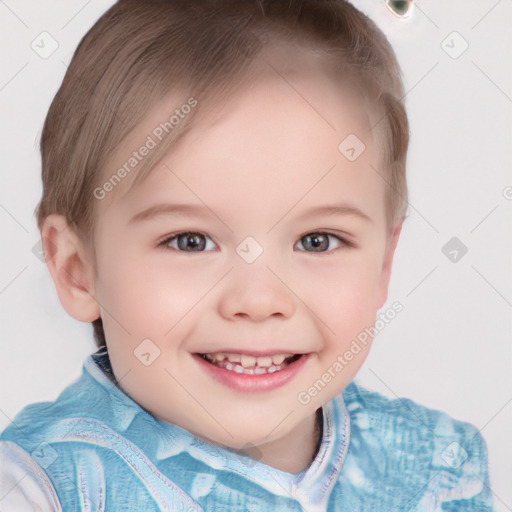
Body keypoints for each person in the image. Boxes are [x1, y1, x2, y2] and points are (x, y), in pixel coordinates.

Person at [0, 0, 495, 510]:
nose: (259, 301)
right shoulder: (41, 486)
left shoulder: (438, 467)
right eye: (190, 241)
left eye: (318, 241)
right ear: (78, 271)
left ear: (382, 266)